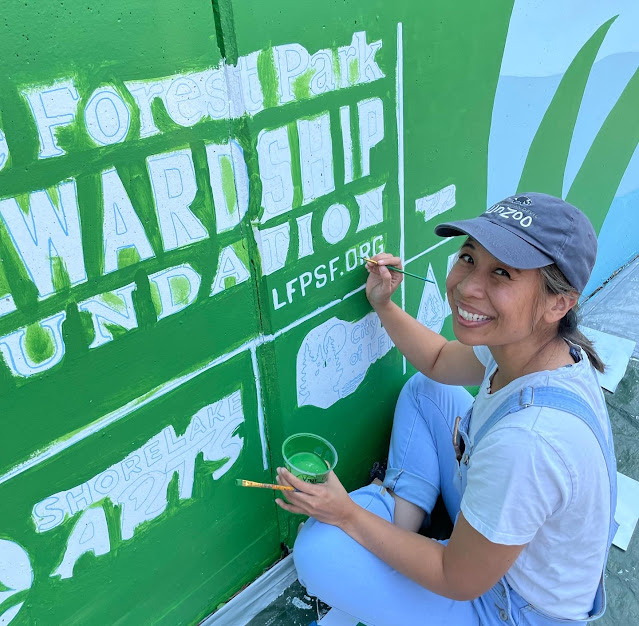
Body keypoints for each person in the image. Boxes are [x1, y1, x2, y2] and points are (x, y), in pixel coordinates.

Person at [274, 193, 618, 626]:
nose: (468, 286)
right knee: (427, 390)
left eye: (502, 273)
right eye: (469, 258)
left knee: (316, 552)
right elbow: (437, 360)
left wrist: (347, 515)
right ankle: (402, 519)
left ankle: (384, 534)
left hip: (506, 606)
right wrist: (383, 304)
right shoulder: (534, 346)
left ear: (559, 303)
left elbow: (455, 579)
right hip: (500, 544)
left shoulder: (528, 443)